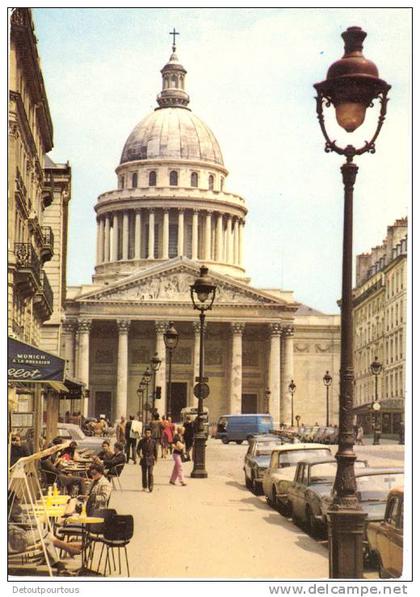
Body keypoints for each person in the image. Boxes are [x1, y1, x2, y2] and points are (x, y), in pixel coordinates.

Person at [137, 428, 158, 492]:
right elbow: (138, 449)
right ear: (144, 433)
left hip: (151, 459)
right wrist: (140, 455)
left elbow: (155, 451)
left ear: (151, 434)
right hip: (144, 459)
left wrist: (156, 459)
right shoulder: (141, 441)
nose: (147, 434)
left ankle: (150, 486)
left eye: (149, 433)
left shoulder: (153, 441)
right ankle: (144, 486)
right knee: (144, 473)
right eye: (146, 433)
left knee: (150, 473)